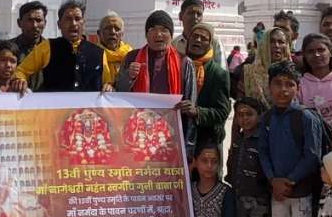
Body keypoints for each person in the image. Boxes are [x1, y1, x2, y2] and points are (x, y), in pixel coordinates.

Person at [257, 61, 325, 217]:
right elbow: (263, 152)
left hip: (300, 194)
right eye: (277, 84)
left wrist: (289, 181)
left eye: (289, 84)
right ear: (269, 87)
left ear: (297, 88)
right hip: (277, 194)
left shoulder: (305, 118)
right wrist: (273, 180)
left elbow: (312, 156)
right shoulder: (266, 118)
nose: (283, 90)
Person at [118, 10, 201, 151]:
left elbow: (190, 106)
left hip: (170, 135)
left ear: (171, 35)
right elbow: (119, 94)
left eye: (164, 30)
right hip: (138, 132)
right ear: (146, 34)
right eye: (153, 30)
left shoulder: (184, 62)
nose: (158, 34)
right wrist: (128, 77)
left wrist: (187, 149)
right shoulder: (132, 58)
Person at [12, 0, 106, 92]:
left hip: (89, 107)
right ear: (59, 24)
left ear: (83, 23)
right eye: (68, 19)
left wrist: (109, 87)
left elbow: (108, 83)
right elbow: (20, 71)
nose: (73, 23)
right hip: (55, 107)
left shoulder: (99, 53)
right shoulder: (47, 47)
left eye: (77, 19)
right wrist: (20, 80)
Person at [186, 24, 232, 149]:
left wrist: (197, 112)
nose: (198, 40)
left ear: (210, 45)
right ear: (188, 40)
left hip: (204, 141)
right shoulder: (177, 65)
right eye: (195, 36)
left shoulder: (218, 73)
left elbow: (222, 112)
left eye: (204, 38)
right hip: (179, 136)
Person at [233, 26, 291, 106]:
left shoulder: (292, 73)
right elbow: (241, 104)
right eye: (272, 41)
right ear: (263, 45)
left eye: (281, 42)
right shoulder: (248, 73)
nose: (277, 45)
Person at [298, 32, 332, 127]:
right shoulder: (300, 84)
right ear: (305, 55)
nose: (316, 55)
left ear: (330, 52)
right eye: (310, 51)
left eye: (321, 50)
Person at [96, 12, 132, 88]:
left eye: (117, 29)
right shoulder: (91, 55)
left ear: (122, 34)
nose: (112, 32)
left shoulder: (131, 56)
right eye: (107, 28)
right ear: (99, 33)